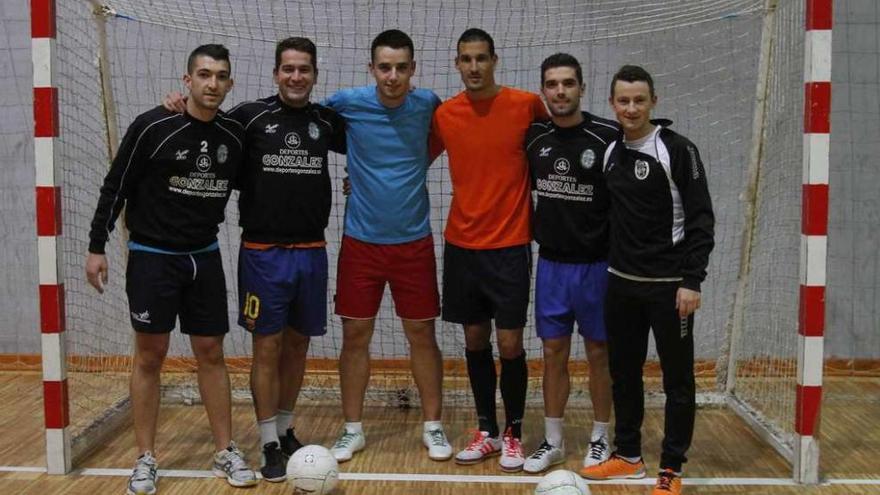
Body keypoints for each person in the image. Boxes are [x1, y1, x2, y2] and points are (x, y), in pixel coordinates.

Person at [162, 37, 347, 481]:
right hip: (263, 255)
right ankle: (267, 443)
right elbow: (204, 122)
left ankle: (285, 430)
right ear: (275, 74)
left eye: (304, 69)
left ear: (315, 76)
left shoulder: (327, 122)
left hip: (313, 252)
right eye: (288, 69)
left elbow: (375, 144)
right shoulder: (249, 118)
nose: (296, 77)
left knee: (299, 344)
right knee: (268, 347)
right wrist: (177, 102)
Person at [85, 44, 257, 495]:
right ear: (187, 80)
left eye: (221, 76)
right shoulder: (153, 125)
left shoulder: (234, 136)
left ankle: (225, 450)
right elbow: (115, 185)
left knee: (211, 352)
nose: (212, 83)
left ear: (230, 84)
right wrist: (96, 246)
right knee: (150, 356)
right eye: (204, 74)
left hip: (204, 257)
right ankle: (145, 458)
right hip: (152, 258)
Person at [579, 65, 715, 495]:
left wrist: (692, 280)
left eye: (639, 100)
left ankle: (671, 467)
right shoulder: (610, 152)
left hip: (670, 286)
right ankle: (628, 456)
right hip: (620, 284)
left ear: (653, 100)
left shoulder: (676, 150)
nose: (631, 108)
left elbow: (701, 220)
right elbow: (605, 217)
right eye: (623, 101)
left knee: (677, 380)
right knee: (624, 373)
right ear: (612, 105)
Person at [324, 29, 451, 463]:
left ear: (413, 69)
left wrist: (407, 171)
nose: (392, 76)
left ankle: (433, 426)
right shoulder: (347, 102)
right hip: (361, 243)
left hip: (413, 242)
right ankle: (352, 429)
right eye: (384, 67)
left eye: (401, 67)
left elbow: (439, 142)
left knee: (422, 333)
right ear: (371, 69)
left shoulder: (428, 104)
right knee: (355, 334)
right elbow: (297, 118)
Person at [430, 28, 549, 473]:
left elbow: (560, 145)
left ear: (494, 60)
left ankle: (515, 433)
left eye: (481, 58)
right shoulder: (445, 114)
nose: (474, 67)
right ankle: (487, 431)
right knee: (475, 338)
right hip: (461, 245)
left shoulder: (525, 105)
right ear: (457, 63)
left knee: (510, 342)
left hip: (510, 246)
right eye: (466, 59)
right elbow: (409, 159)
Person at [520, 53, 617, 474]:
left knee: (599, 352)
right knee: (552, 351)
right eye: (552, 84)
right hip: (552, 266)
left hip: (598, 266)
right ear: (544, 90)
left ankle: (601, 436)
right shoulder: (533, 137)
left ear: (581, 87)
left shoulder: (608, 138)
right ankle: (554, 440)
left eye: (568, 83)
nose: (560, 91)